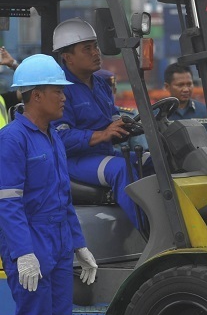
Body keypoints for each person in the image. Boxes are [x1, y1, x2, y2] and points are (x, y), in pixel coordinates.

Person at [0, 54, 98, 315]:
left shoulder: (53, 136)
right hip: (31, 242)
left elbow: (63, 197)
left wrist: (79, 244)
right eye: (57, 90)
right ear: (36, 95)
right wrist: (23, 253)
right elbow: (8, 203)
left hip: (58, 243)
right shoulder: (13, 139)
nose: (64, 97)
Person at [51, 18, 145, 229]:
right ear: (68, 57)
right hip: (73, 161)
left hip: (103, 153)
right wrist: (102, 134)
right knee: (121, 169)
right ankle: (150, 231)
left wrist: (125, 126)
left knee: (153, 160)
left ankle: (172, 221)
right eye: (87, 49)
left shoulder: (100, 84)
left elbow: (112, 117)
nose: (96, 53)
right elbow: (60, 138)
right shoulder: (59, 89)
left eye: (95, 46)